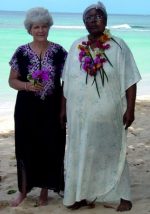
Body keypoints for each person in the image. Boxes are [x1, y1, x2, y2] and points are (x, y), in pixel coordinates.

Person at [62, 1, 141, 212]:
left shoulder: (118, 45)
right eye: (88, 18)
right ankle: (80, 195)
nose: (93, 21)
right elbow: (66, 81)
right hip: (79, 114)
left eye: (97, 17)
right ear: (83, 22)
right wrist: (63, 109)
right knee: (80, 152)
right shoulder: (76, 46)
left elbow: (131, 79)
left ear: (105, 20)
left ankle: (124, 197)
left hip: (109, 112)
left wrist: (131, 109)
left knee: (113, 151)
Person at [8, 7, 67, 207]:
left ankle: (44, 191)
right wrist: (27, 85)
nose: (40, 30)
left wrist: (64, 109)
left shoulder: (59, 52)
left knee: (50, 147)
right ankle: (23, 191)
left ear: (49, 27)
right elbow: (12, 81)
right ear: (30, 29)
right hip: (26, 110)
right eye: (36, 27)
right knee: (25, 148)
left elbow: (69, 80)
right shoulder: (21, 53)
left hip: (52, 109)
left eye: (44, 26)